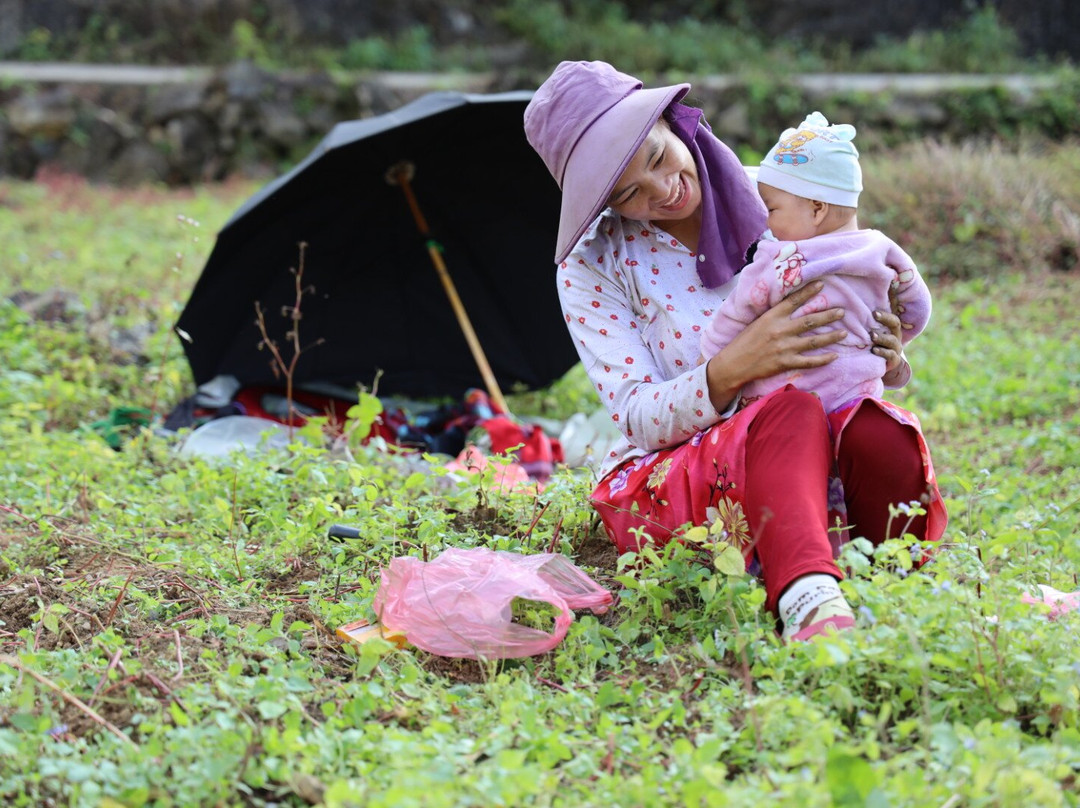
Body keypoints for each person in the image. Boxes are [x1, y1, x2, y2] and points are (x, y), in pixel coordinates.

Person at [524, 61, 947, 642]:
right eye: (626, 194)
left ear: (673, 123)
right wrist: (733, 367)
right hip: (677, 468)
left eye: (655, 158)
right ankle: (807, 596)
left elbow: (859, 297)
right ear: (601, 203)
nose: (662, 191)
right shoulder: (591, 265)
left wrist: (883, 341)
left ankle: (896, 582)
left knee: (878, 429)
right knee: (787, 410)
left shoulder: (781, 197)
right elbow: (637, 416)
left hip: (817, 440)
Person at [699, 111, 932, 413]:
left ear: (817, 209)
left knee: (790, 421)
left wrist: (708, 357)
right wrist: (895, 335)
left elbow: (737, 312)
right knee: (866, 425)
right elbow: (918, 305)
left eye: (771, 209)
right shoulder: (882, 249)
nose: (766, 221)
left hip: (784, 398)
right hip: (857, 394)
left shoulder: (779, 257)